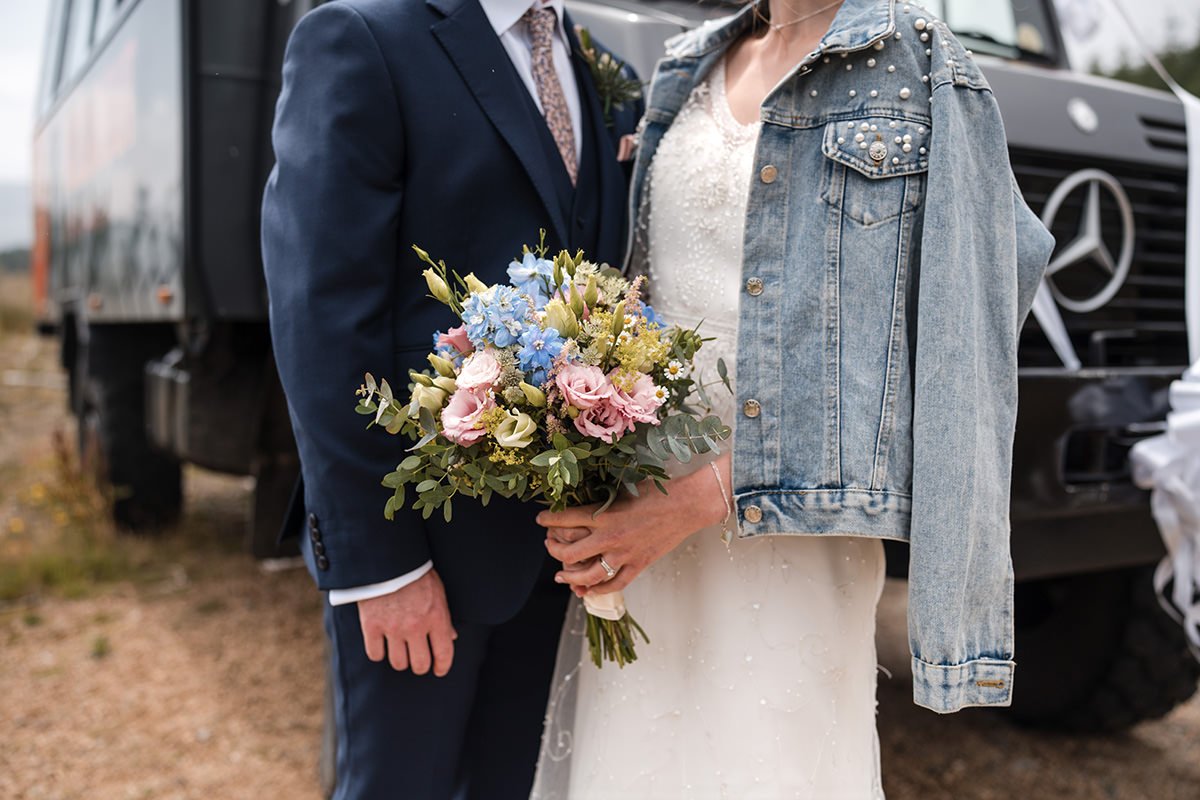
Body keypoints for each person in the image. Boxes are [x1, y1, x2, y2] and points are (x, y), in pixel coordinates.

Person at [535, 0, 1056, 796]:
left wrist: (699, 498)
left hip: (792, 541)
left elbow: (956, 338)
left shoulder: (921, 66)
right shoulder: (687, 62)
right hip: (640, 526)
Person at [260, 0, 640, 797]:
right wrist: (380, 568)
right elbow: (320, 315)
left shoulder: (605, 72)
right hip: (420, 550)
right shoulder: (362, 39)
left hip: (559, 554)